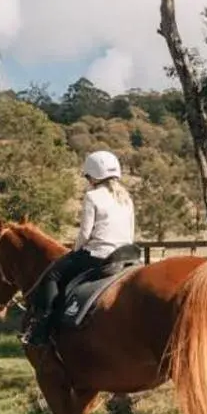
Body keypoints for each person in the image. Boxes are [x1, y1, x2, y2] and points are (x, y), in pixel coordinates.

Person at [23, 149, 136, 347]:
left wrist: (75, 251)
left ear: (93, 175)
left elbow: (85, 233)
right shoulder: (126, 197)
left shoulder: (92, 196)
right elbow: (131, 230)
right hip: (126, 253)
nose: (87, 179)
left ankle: (42, 327)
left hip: (99, 255)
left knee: (52, 276)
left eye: (88, 176)